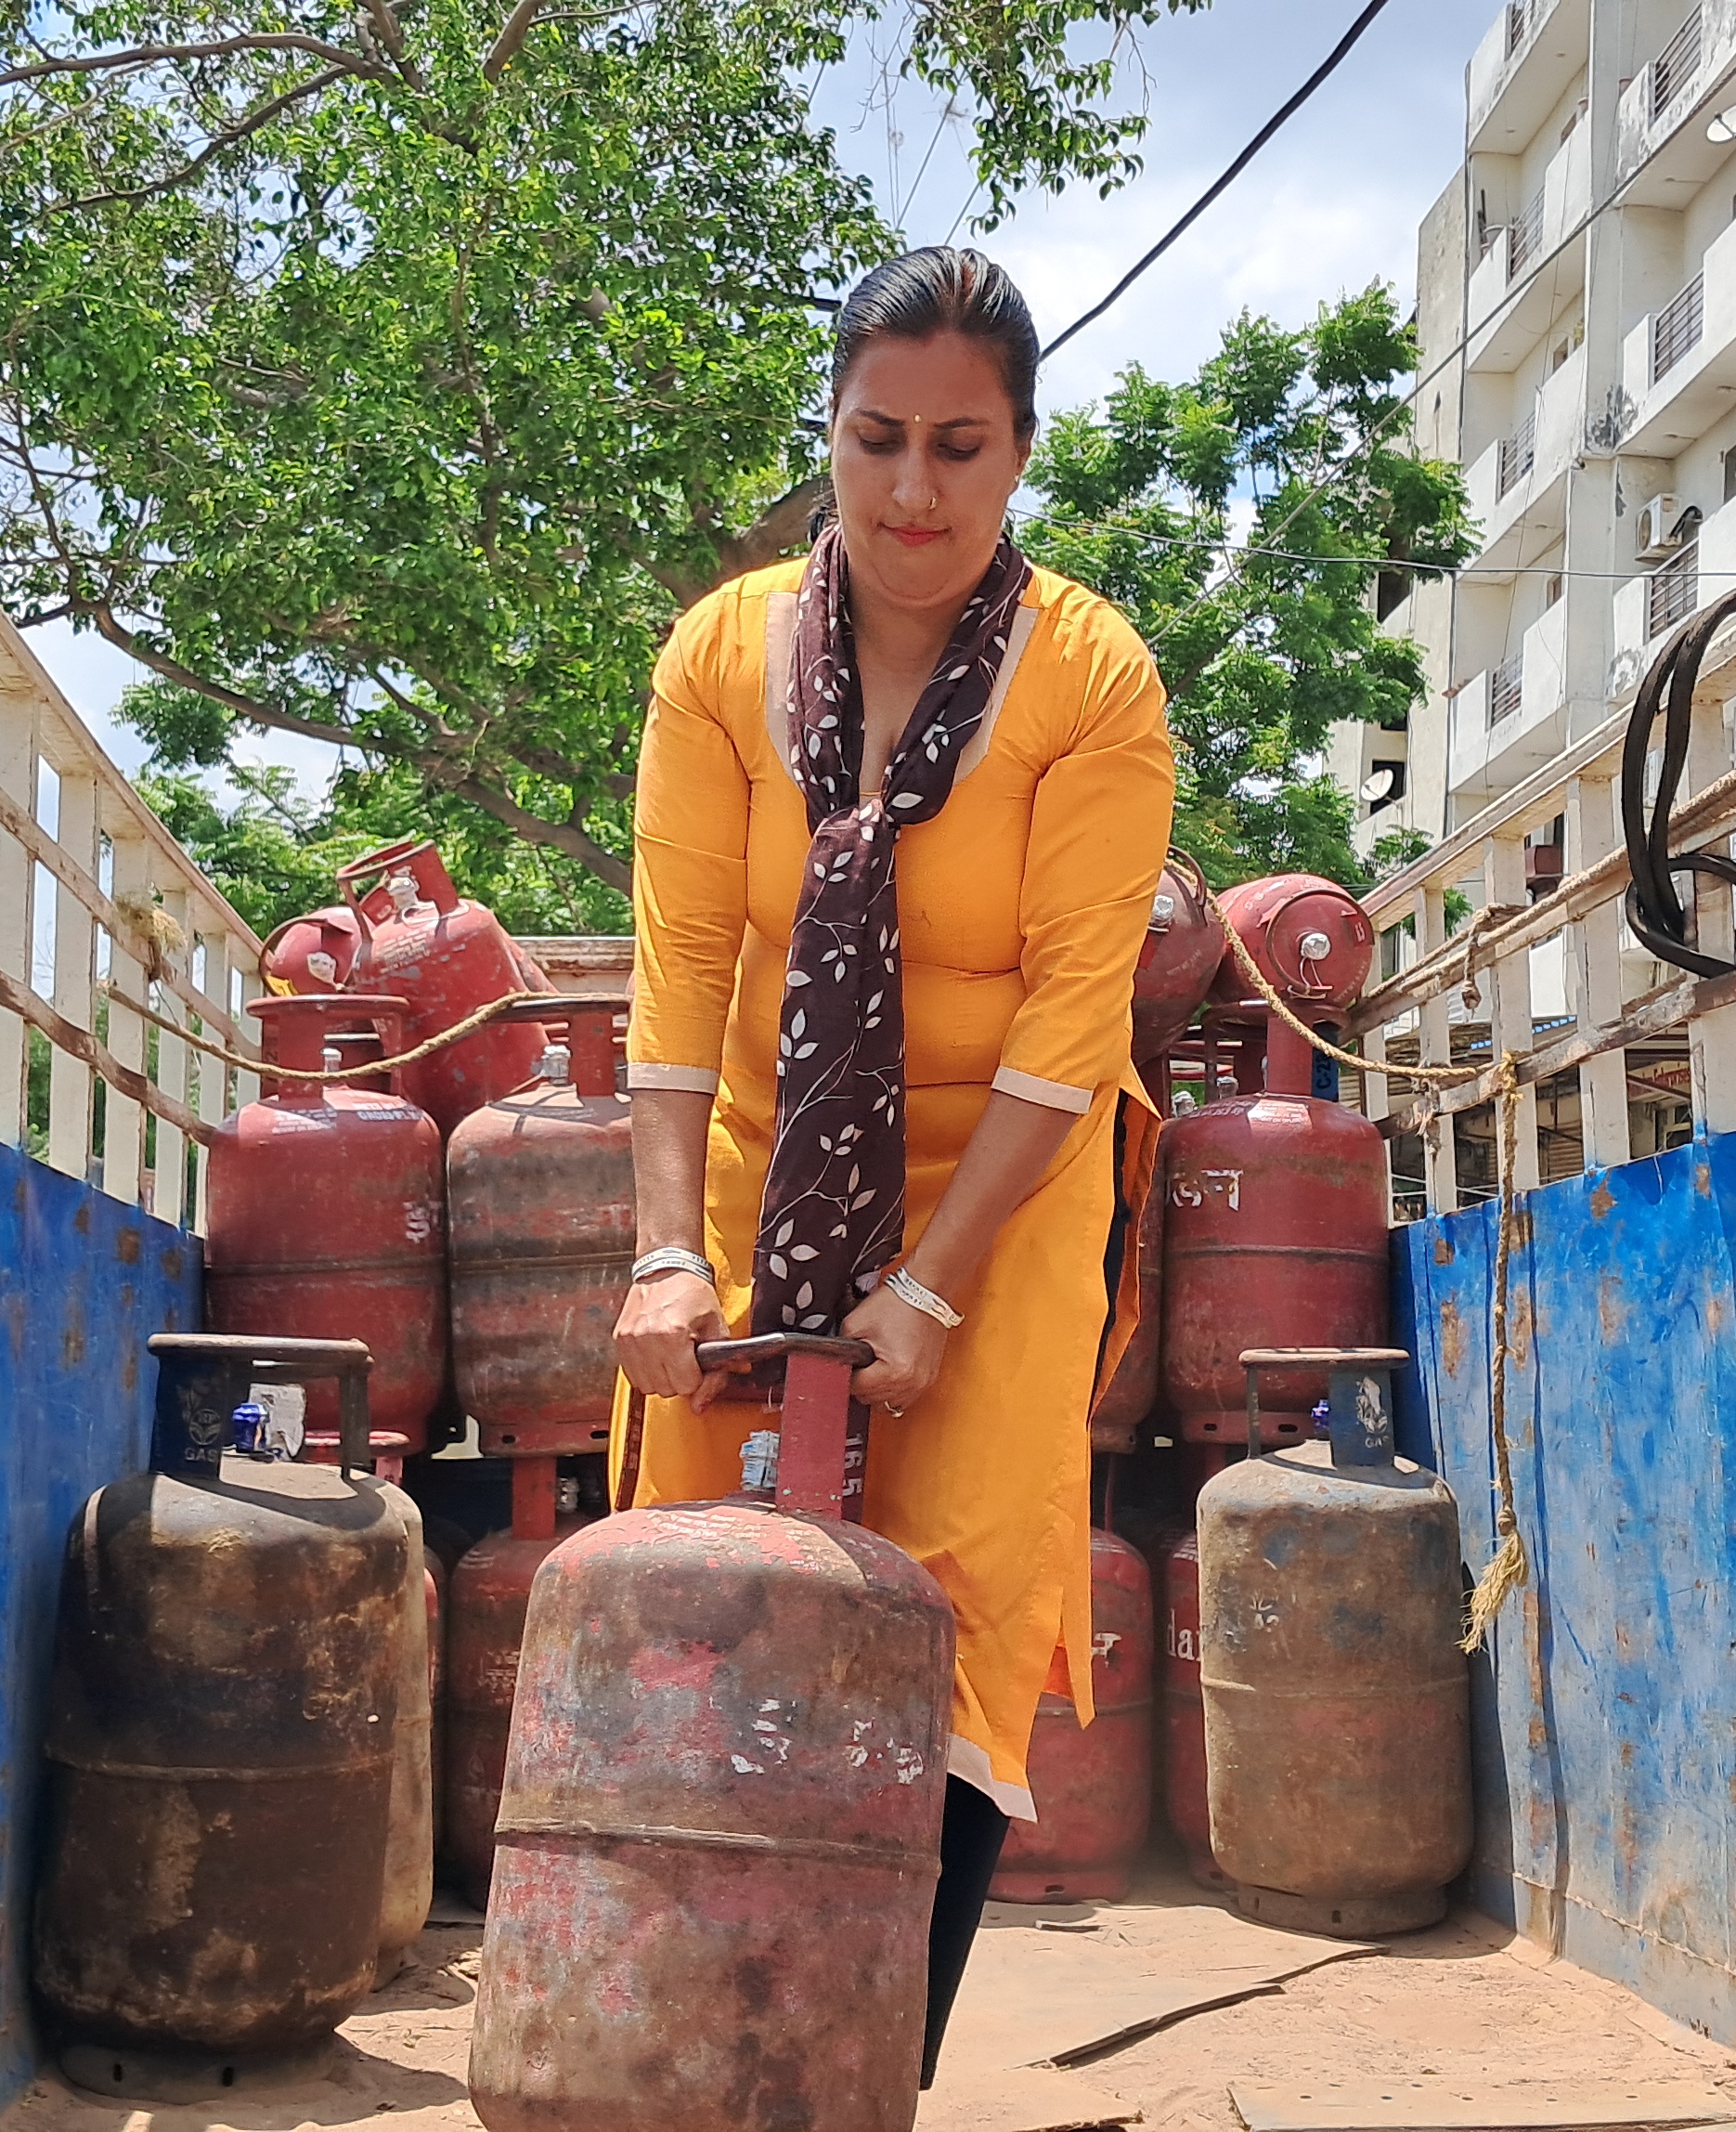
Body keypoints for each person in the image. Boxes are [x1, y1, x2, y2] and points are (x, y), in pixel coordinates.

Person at [607, 244, 1172, 2087]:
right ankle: (691, 2065)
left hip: (1003, 1191)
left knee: (952, 1610)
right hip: (759, 1172)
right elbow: (686, 964)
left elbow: (1074, 1022)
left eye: (959, 447)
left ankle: (870, 2079)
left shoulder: (1094, 679)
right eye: (876, 440)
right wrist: (658, 1254)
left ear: (1018, 456)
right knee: (708, 1583)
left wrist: (930, 1284)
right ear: (828, 431)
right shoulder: (719, 657)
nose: (912, 492)